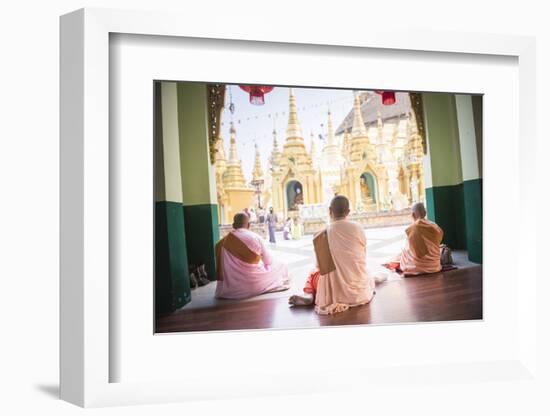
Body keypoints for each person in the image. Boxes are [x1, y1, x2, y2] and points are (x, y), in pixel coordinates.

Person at [288, 195, 375, 315]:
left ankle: (309, 294)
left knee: (313, 273)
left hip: (334, 294)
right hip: (360, 293)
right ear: (348, 212)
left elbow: (320, 267)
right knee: (367, 273)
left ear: (330, 211)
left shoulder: (322, 235)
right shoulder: (358, 228)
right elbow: (362, 256)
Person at [215, 212, 289, 299]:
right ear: (249, 225)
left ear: (233, 225)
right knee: (282, 266)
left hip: (230, 289)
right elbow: (268, 261)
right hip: (254, 284)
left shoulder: (221, 243)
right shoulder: (255, 237)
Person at [385, 202, 444, 276]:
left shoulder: (413, 228)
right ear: (425, 213)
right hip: (435, 266)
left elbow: (409, 250)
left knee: (403, 252)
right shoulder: (435, 226)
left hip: (417, 267)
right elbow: (438, 242)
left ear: (412, 214)